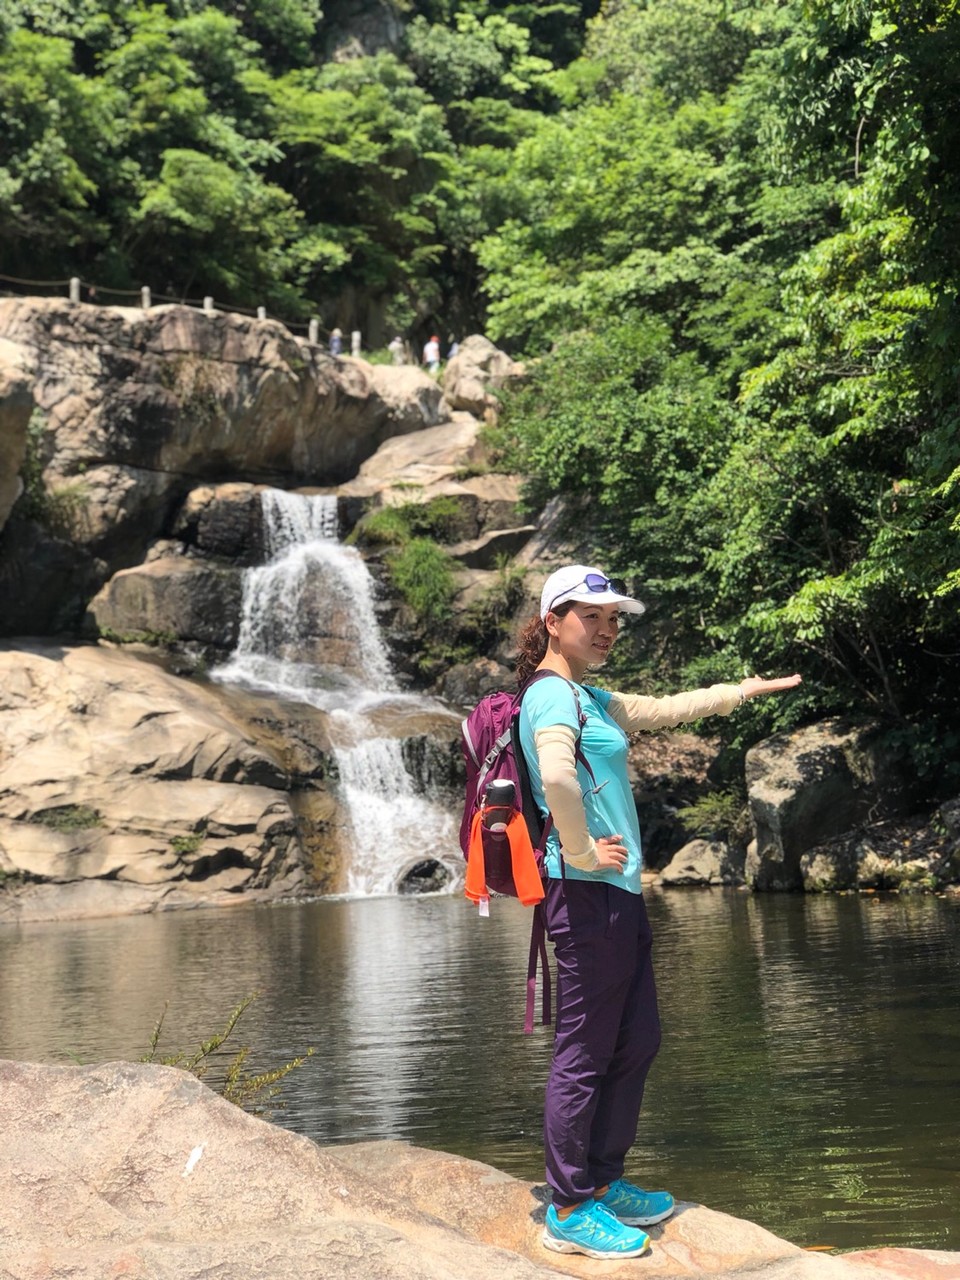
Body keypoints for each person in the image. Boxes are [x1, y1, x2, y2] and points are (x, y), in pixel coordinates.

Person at [516, 564, 802, 1261]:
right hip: (583, 892)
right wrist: (582, 851)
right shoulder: (550, 696)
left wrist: (740, 691)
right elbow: (556, 776)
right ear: (553, 621)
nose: (607, 628)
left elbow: (667, 708)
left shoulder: (589, 696)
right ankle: (568, 1206)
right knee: (585, 1050)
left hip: (615, 893)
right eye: (591, 616)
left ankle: (602, 1180)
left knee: (636, 1037)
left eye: (614, 618)